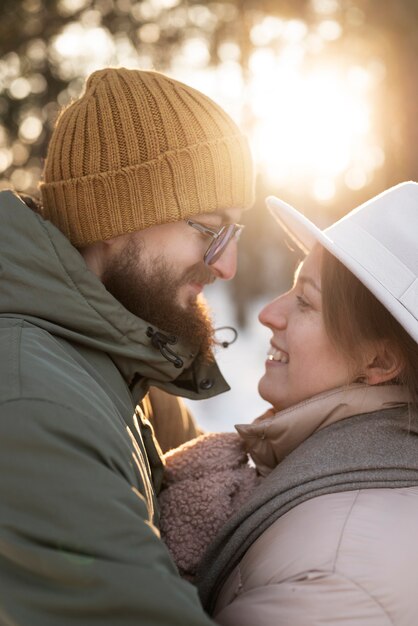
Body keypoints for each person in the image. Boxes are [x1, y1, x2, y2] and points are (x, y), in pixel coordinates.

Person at [0, 67, 254, 625]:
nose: (227, 264)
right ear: (112, 216)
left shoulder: (118, 364)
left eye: (234, 234)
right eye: (209, 228)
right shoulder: (34, 407)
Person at [158, 181, 418, 625]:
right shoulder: (329, 470)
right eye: (289, 288)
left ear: (379, 361)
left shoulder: (336, 577)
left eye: (305, 301)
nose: (269, 313)